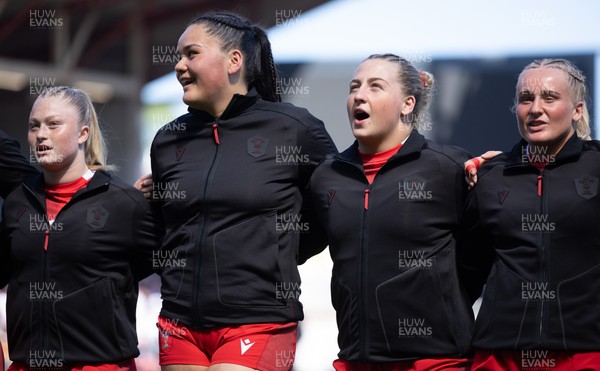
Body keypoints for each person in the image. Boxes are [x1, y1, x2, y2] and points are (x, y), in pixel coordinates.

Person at [150, 11, 337, 371]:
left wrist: (281, 251)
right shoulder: (167, 139)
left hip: (258, 317)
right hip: (178, 322)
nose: (178, 66)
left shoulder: (295, 128)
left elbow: (333, 205)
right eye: (178, 56)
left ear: (234, 60)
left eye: (191, 54)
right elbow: (162, 224)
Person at [305, 53, 490, 371]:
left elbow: (481, 255)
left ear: (408, 104)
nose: (359, 95)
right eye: (354, 87)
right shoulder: (327, 175)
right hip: (356, 360)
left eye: (375, 86)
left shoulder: (449, 168)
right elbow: (296, 246)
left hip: (436, 360)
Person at [0, 86, 160, 371]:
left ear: (83, 133)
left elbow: (155, 266)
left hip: (100, 365)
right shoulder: (16, 203)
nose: (41, 135)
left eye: (53, 124)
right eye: (33, 126)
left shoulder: (124, 204)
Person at [465, 58, 600, 370]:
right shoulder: (490, 176)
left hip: (584, 353)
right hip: (499, 354)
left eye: (550, 98)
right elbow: (465, 271)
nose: (536, 108)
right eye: (526, 99)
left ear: (577, 110)